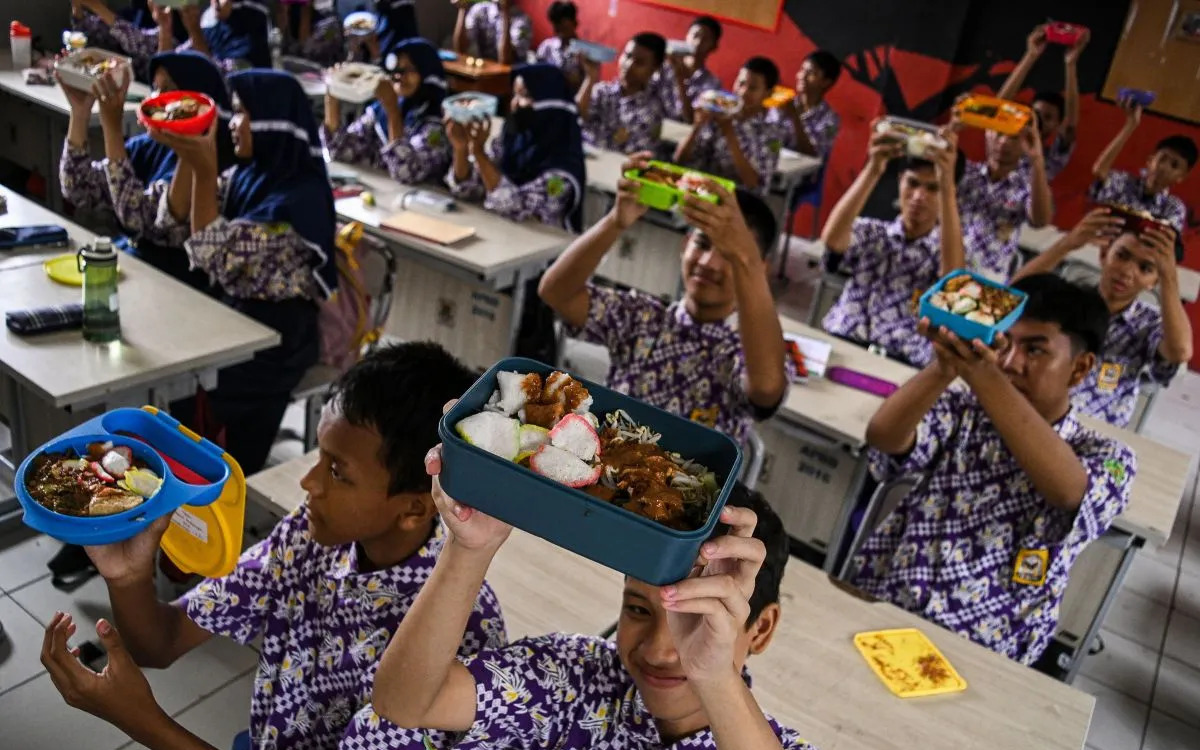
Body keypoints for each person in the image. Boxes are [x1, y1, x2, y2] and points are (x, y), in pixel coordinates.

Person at [39, 343, 507, 750]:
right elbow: (160, 643)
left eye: (337, 472)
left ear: (414, 508)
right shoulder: (309, 536)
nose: (308, 483)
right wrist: (130, 576)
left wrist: (143, 722)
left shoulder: (456, 640)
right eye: (319, 457)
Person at [343, 472, 816, 750]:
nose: (660, 648)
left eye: (697, 616)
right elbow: (403, 705)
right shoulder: (577, 679)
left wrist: (713, 675)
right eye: (637, 608)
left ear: (760, 629)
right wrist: (469, 550)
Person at [849, 274, 1136, 665]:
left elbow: (1069, 492)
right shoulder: (965, 412)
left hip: (988, 651)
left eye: (1035, 351)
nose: (1010, 362)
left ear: (1079, 368)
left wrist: (982, 374)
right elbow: (884, 437)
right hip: (891, 604)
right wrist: (944, 367)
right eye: (1004, 343)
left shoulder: (1109, 457)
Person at [149, 70, 337, 474]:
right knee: (159, 369)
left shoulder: (300, 200)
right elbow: (172, 220)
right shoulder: (249, 174)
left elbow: (210, 254)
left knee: (184, 398)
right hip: (232, 313)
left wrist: (203, 169)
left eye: (241, 113)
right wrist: (188, 156)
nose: (232, 124)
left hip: (276, 339)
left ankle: (199, 494)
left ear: (271, 121)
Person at [538, 153, 789, 448]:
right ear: (684, 246)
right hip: (605, 470)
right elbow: (555, 292)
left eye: (728, 255)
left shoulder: (744, 348)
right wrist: (616, 222)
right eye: (702, 244)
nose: (709, 263)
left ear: (760, 268)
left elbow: (766, 386)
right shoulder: (644, 318)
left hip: (686, 490)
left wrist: (744, 256)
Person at [59, 51, 236, 292]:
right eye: (156, 89)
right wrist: (80, 112)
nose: (157, 100)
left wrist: (112, 127)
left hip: (174, 288)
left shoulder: (208, 158)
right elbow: (79, 188)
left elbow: (139, 219)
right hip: (133, 266)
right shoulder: (151, 145)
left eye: (169, 91)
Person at [1014, 210, 1192, 427]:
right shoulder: (1069, 299)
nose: (1127, 271)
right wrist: (1067, 244)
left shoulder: (1150, 322)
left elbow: (1180, 351)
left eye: (1145, 268)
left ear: (1153, 282)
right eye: (1122, 256)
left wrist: (1169, 277)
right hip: (1035, 419)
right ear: (1104, 255)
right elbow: (1009, 299)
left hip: (1096, 435)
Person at [820, 122, 966, 367]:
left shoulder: (949, 252)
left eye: (933, 189)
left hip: (899, 361)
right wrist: (874, 169)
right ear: (900, 181)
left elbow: (951, 281)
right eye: (912, 183)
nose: (919, 196)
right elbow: (833, 239)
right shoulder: (873, 232)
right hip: (841, 341)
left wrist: (947, 186)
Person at [446, 63, 586, 232]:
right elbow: (470, 188)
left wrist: (479, 154)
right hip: (502, 237)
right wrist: (461, 149)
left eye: (524, 96)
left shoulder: (563, 170)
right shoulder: (512, 140)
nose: (514, 104)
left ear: (548, 104)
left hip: (543, 254)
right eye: (514, 95)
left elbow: (515, 206)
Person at [323, 38, 451, 185]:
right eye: (397, 69)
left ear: (426, 72)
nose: (399, 77)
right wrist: (332, 91)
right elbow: (339, 151)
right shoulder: (380, 112)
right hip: (384, 194)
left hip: (418, 200)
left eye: (409, 70)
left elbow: (406, 172)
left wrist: (392, 110)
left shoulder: (438, 123)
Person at [954, 116, 1053, 280]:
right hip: (945, 265)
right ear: (987, 133)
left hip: (988, 278)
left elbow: (1040, 221)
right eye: (999, 133)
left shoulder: (1027, 186)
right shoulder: (964, 173)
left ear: (1026, 143)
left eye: (1014, 137)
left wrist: (1036, 160)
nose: (1003, 142)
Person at [674, 56, 783, 195]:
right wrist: (697, 127)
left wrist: (729, 132)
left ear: (768, 93)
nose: (743, 92)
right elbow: (679, 160)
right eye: (741, 83)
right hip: (700, 189)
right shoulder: (719, 110)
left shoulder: (771, 131)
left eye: (753, 88)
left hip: (738, 199)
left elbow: (753, 183)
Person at [995, 23, 1089, 181]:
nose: (1038, 120)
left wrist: (1070, 65)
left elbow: (1071, 125)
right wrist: (1030, 55)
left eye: (1048, 117)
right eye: (1036, 113)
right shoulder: (1005, 139)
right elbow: (997, 106)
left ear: (1058, 124)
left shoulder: (1051, 159)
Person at [72, 0, 272, 73]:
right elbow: (167, 64)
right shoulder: (209, 25)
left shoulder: (249, 43)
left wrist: (192, 30)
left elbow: (215, 75)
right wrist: (165, 31)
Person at [1091, 99, 1196, 235]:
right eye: (1162, 159)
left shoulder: (1173, 208)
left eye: (1174, 165)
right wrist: (1131, 125)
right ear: (1150, 160)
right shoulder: (1124, 183)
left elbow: (1164, 242)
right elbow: (1100, 171)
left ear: (1181, 177)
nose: (1163, 167)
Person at [576, 32, 667, 155]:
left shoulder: (652, 110)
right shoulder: (602, 90)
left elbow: (633, 158)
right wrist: (590, 78)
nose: (628, 65)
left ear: (654, 68)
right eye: (627, 56)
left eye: (639, 63)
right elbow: (576, 115)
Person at [766, 50, 841, 160]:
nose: (802, 76)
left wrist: (795, 117)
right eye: (802, 70)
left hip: (797, 174)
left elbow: (811, 154)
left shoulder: (830, 119)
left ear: (826, 82)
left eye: (811, 73)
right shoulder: (785, 102)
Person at [653, 15, 723, 123]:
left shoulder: (713, 84)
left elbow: (691, 120)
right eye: (695, 36)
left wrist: (679, 79)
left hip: (680, 134)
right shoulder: (664, 66)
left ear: (714, 47)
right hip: (651, 125)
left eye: (706, 39)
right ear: (686, 37)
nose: (698, 43)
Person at [453, 0, 532, 65]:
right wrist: (462, 9)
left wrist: (505, 12)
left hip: (512, 75)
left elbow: (506, 61)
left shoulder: (523, 21)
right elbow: (460, 50)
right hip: (487, 71)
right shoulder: (480, 10)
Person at [534, 0, 583, 92]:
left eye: (564, 27)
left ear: (574, 23)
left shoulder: (584, 51)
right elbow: (536, 76)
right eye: (557, 27)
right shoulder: (546, 48)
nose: (560, 31)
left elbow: (590, 85)